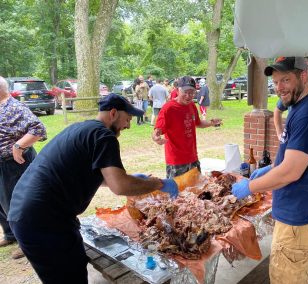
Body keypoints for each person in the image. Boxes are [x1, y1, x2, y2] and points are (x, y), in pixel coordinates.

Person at [7, 93, 178, 283]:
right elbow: (119, 186)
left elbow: (102, 178)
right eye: (127, 119)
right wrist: (159, 184)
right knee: (69, 277)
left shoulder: (83, 128)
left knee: (74, 266)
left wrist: (133, 178)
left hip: (30, 211)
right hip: (42, 218)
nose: (128, 125)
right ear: (113, 113)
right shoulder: (104, 136)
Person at [231, 57, 308, 284]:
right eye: (275, 82)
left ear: (303, 76)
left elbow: (291, 172)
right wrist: (271, 168)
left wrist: (249, 187)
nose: (279, 87)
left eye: (285, 80)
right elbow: (302, 158)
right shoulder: (306, 106)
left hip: (299, 221)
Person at [0, 76, 47, 259]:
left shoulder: (13, 107)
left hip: (14, 165)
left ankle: (28, 242)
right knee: (2, 204)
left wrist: (18, 146)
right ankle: (11, 235)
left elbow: (38, 129)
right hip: (3, 164)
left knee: (17, 205)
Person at [152, 76, 222, 178]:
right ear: (177, 90)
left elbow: (198, 123)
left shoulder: (191, 106)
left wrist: (211, 123)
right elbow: (157, 130)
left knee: (197, 190)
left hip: (193, 157)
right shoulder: (168, 108)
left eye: (192, 92)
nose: (188, 96)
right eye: (185, 92)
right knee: (178, 192)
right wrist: (156, 138)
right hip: (176, 160)